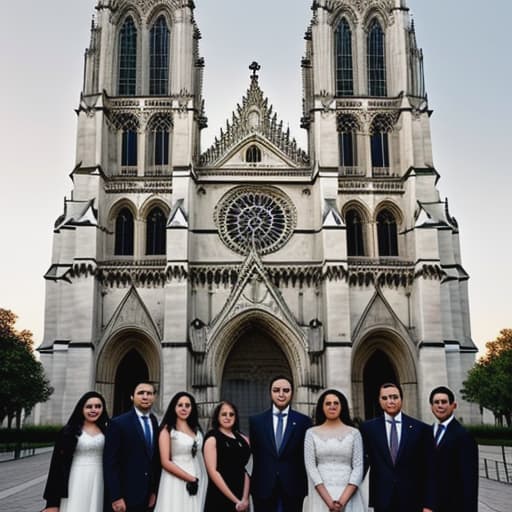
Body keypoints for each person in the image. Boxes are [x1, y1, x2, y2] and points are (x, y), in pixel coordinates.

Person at [360, 382, 436, 512]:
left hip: (413, 500)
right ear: (379, 400)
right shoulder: (368, 429)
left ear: (401, 399)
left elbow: (430, 469)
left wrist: (429, 504)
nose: (390, 401)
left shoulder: (421, 429)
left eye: (394, 397)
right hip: (382, 500)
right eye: (385, 398)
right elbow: (361, 462)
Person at [249, 375, 312, 512]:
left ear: (292, 393)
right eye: (276, 390)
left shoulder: (304, 421)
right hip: (263, 486)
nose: (281, 394)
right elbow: (255, 453)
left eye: (286, 390)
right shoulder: (256, 421)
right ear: (270, 393)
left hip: (293, 486)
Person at [43, 391, 109, 512]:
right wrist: (51, 502)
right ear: (81, 408)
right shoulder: (68, 432)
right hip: (75, 478)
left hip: (100, 478)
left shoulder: (107, 431)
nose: (94, 410)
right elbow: (56, 466)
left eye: (98, 406)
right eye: (89, 407)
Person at [303, 389, 366, 512]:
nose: (332, 406)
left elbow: (358, 468)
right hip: (320, 493)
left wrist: (342, 501)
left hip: (348, 493)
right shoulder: (310, 433)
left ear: (342, 406)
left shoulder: (354, 433)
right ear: (322, 407)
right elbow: (311, 467)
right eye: (328, 403)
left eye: (336, 403)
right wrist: (329, 502)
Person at [103, 381, 161, 512]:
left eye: (149, 393)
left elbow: (154, 460)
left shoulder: (154, 421)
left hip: (147, 497)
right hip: (126, 496)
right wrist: (116, 496)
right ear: (132, 397)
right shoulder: (118, 423)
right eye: (141, 393)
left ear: (154, 397)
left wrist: (153, 490)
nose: (145, 397)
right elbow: (110, 463)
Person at [153, 391, 207, 512]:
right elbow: (165, 462)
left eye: (187, 405)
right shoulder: (167, 430)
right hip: (175, 478)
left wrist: (198, 478)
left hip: (197, 476)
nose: (184, 408)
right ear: (174, 407)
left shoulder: (196, 429)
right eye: (180, 405)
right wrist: (190, 478)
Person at [429, 385, 478, 512]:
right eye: (436, 402)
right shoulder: (427, 433)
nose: (440, 405)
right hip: (431, 506)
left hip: (454, 506)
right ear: (431, 407)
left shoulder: (464, 436)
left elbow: (469, 482)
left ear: (453, 405)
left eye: (444, 402)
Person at [203, 400, 251, 511]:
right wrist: (235, 500)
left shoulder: (242, 439)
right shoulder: (212, 438)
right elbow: (213, 472)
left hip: (241, 497)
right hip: (219, 495)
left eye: (231, 414)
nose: (228, 417)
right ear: (217, 417)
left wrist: (244, 499)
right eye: (224, 414)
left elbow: (247, 469)